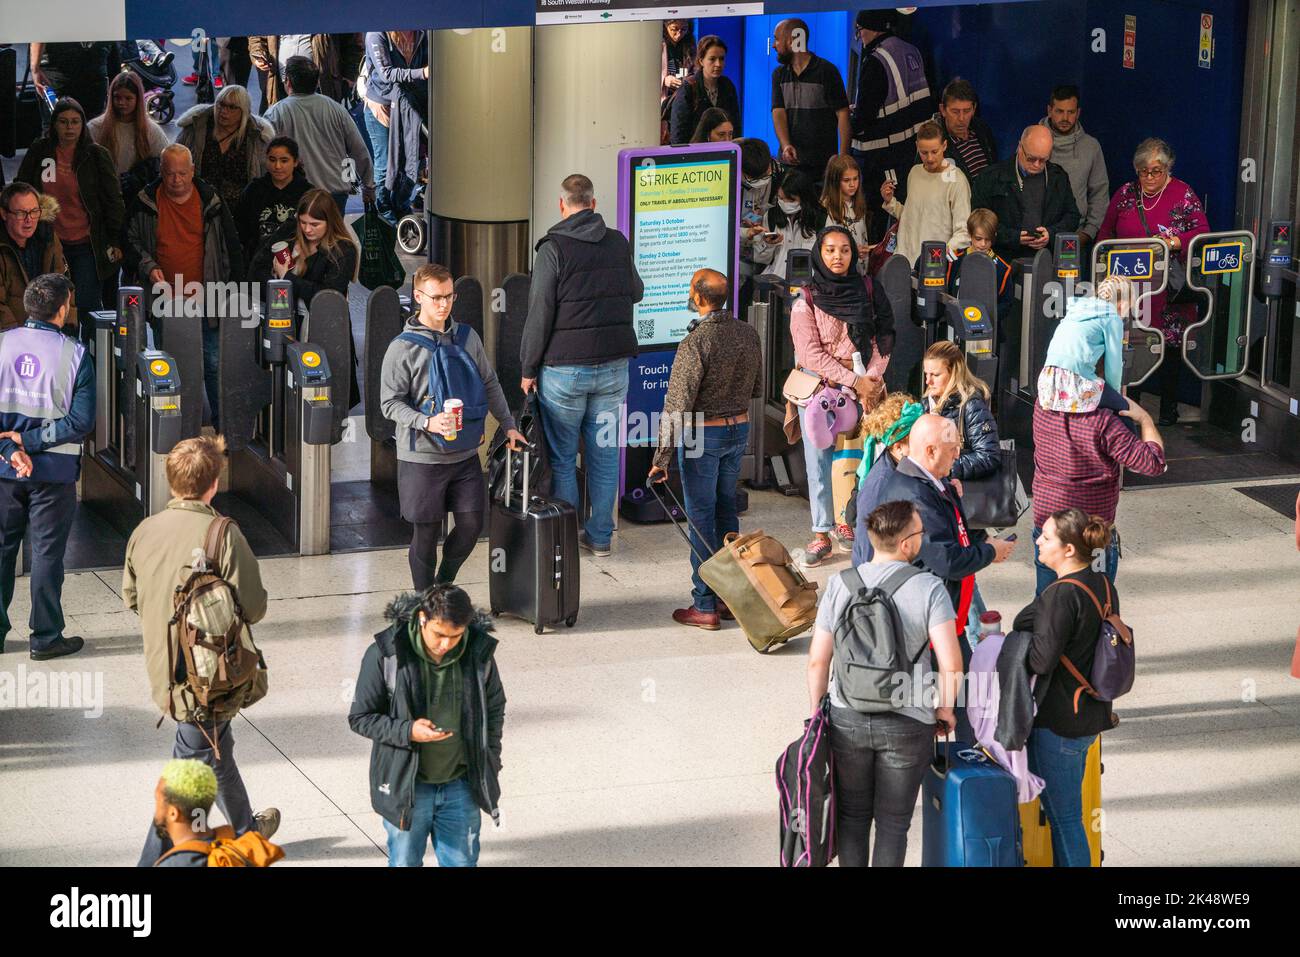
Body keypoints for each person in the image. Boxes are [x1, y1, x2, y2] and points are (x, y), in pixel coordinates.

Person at [124, 435, 280, 863]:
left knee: (216, 747)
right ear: (213, 485)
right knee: (185, 779)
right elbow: (256, 605)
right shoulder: (222, 534)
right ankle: (151, 860)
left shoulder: (143, 531)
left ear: (170, 481)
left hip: (166, 676)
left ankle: (248, 829)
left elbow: (132, 597)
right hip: (207, 680)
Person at [807, 499, 962, 867]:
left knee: (852, 818)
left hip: (848, 717)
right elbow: (951, 663)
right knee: (894, 824)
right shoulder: (930, 588)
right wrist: (944, 709)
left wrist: (817, 714)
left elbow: (817, 659)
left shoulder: (840, 584)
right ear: (907, 543)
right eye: (921, 532)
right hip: (909, 722)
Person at [519, 174, 644, 557]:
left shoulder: (553, 249)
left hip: (564, 370)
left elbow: (540, 311)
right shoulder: (618, 242)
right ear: (593, 203)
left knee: (561, 456)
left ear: (562, 205)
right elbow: (636, 291)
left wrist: (527, 367)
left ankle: (567, 537)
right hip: (613, 367)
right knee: (605, 455)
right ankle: (601, 538)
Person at [383, 264, 524, 588]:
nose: (443, 304)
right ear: (418, 296)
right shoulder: (401, 348)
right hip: (422, 458)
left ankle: (444, 584)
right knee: (426, 532)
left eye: (448, 297)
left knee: (472, 524)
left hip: (463, 455)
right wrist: (427, 421)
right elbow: (389, 404)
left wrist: (509, 424)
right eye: (435, 297)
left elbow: (489, 382)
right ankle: (425, 601)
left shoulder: (467, 337)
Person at [876, 414, 1016, 740]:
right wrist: (989, 553)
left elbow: (954, 533)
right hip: (924, 624)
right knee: (943, 704)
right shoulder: (915, 494)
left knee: (964, 693)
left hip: (943, 613)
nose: (957, 457)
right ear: (929, 450)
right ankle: (959, 757)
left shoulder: (928, 482)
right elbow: (947, 559)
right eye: (952, 450)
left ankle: (966, 751)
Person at [348, 585, 507, 868]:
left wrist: (490, 758)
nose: (446, 644)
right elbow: (361, 718)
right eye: (439, 635)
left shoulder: (478, 654)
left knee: (462, 863)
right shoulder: (386, 654)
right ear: (422, 618)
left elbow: (494, 709)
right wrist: (408, 731)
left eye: (455, 636)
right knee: (405, 862)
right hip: (409, 787)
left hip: (461, 785)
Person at [649, 269, 762, 630]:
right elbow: (757, 388)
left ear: (698, 297)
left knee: (700, 519)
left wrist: (660, 459)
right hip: (738, 430)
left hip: (703, 437)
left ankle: (704, 604)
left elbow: (677, 404)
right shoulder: (748, 333)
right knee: (727, 513)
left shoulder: (695, 342)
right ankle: (730, 597)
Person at [1013, 508, 1119, 866]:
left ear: (1069, 550)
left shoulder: (1060, 596)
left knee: (1066, 820)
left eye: (1046, 537)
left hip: (1060, 723)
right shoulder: (1103, 584)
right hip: (1091, 714)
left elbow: (1041, 660)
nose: (1039, 541)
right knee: (1069, 817)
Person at [0, 274, 91, 660]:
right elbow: (80, 422)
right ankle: (45, 637)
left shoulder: (2, 344)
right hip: (54, 473)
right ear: (62, 308)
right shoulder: (76, 355)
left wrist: (11, 448)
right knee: (47, 554)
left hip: (4, 471)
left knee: (2, 551)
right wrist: (32, 443)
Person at [791, 225, 893, 567]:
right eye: (830, 250)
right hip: (820, 390)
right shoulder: (805, 299)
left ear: (854, 254)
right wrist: (853, 380)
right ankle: (821, 532)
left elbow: (883, 336)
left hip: (865, 388)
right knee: (818, 464)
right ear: (820, 253)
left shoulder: (867, 288)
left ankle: (849, 522)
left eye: (845, 250)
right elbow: (810, 354)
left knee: (862, 460)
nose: (837, 257)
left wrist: (871, 377)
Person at [123, 143, 244, 428]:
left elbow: (231, 246)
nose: (176, 180)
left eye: (182, 173)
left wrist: (235, 292)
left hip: (208, 296)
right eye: (169, 174)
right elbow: (129, 242)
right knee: (173, 364)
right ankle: (176, 429)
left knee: (213, 363)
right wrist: (149, 267)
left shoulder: (210, 201)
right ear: (160, 172)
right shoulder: (144, 202)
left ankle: (223, 429)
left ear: (192, 171)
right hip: (166, 300)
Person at [1095, 137, 1209, 425]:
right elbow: (1106, 232)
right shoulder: (1125, 194)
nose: (1148, 177)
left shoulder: (1182, 193)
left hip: (1167, 292)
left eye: (1155, 171)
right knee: (1131, 346)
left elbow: (1202, 232)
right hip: (1130, 290)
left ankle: (1168, 410)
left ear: (1168, 169)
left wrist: (1174, 241)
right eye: (1143, 171)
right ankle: (1131, 409)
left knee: (1169, 351)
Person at [1031, 386, 1166, 596]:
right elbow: (1152, 463)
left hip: (1048, 524)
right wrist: (1145, 418)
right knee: (1094, 601)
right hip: (1091, 530)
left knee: (1047, 598)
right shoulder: (1103, 422)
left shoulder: (1042, 405)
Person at [15, 97, 124, 332]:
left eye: (75, 122)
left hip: (86, 245)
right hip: (49, 243)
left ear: (82, 125)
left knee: (87, 307)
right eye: (63, 122)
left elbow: (113, 201)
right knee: (54, 310)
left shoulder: (95, 155)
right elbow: (21, 188)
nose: (69, 128)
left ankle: (92, 363)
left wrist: (114, 239)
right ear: (54, 125)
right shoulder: (40, 151)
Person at [921, 341, 1001, 644]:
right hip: (941, 499)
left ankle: (981, 638)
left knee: (960, 572)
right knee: (960, 574)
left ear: (953, 372)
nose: (928, 381)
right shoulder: (929, 401)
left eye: (935, 375)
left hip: (959, 502)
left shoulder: (971, 404)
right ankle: (982, 636)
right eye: (926, 374)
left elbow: (989, 455)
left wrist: (948, 466)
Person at [849, 9, 935, 222]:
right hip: (915, 153)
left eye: (859, 31)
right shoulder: (911, 50)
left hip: (884, 158)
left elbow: (864, 119)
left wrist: (850, 118)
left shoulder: (876, 59)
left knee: (884, 217)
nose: (860, 37)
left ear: (871, 29)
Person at [265, 56, 376, 215]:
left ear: (287, 81)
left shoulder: (275, 114)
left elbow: (265, 156)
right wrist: (369, 186)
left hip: (296, 194)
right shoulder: (336, 109)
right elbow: (359, 151)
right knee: (331, 239)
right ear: (317, 82)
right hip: (335, 194)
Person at [971, 125, 1081, 263]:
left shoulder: (1058, 177)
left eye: (1043, 160)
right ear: (1019, 147)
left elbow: (1073, 216)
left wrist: (1051, 234)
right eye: (1031, 158)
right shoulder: (990, 177)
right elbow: (978, 221)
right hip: (1003, 259)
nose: (1036, 164)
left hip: (1047, 258)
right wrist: (1013, 237)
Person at [1039, 274, 1133, 420]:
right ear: (1123, 304)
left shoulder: (1077, 310)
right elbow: (1114, 366)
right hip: (1076, 380)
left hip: (1048, 379)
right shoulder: (1112, 318)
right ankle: (1134, 444)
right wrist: (1115, 394)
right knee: (1125, 410)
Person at [771, 18, 851, 185]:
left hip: (822, 166)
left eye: (777, 39)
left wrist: (843, 159)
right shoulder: (779, 74)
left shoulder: (827, 71)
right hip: (790, 166)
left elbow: (843, 114)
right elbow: (778, 112)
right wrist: (786, 146)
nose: (774, 45)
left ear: (792, 40)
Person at [881, 119, 971, 266]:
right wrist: (890, 202)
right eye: (924, 152)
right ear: (917, 147)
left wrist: (938, 260)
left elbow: (964, 232)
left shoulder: (957, 180)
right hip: (903, 260)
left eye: (934, 152)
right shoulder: (914, 172)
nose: (929, 158)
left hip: (933, 266)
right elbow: (912, 217)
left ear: (944, 146)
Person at [176, 84, 277, 214]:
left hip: (240, 210)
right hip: (198, 206)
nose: (224, 111)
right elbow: (174, 158)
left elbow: (266, 176)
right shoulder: (196, 127)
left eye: (232, 107)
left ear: (244, 112)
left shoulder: (256, 137)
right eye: (221, 104)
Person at [362, 32, 429, 224]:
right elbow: (387, 73)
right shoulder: (377, 35)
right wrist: (422, 73)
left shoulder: (422, 32)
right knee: (385, 165)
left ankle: (400, 204)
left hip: (410, 105)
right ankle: (385, 212)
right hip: (382, 107)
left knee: (411, 160)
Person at [850, 392, 923, 566]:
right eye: (919, 439)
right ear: (898, 447)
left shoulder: (905, 469)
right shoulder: (880, 485)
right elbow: (867, 546)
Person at [1041, 85, 1109, 247]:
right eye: (1059, 111)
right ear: (1049, 110)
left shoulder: (1091, 147)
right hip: (1038, 235)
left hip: (1075, 236)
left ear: (1078, 113)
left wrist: (1087, 233)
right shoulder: (1033, 140)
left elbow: (1099, 194)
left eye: (1071, 112)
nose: (1065, 117)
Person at [0, 183, 72, 331]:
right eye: (21, 213)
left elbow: (63, 286)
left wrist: (68, 326)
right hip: (9, 339)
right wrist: (18, 338)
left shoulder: (48, 238)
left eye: (34, 211)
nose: (29, 219)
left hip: (48, 333)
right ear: (4, 213)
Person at [235, 136, 314, 262]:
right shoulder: (254, 190)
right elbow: (240, 228)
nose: (277, 166)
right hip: (258, 261)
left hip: (298, 262)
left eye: (284, 161)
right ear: (266, 160)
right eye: (272, 160)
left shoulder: (308, 193)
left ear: (295, 162)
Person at [87, 71, 170, 191]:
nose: (122, 103)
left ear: (138, 99)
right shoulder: (95, 127)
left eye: (128, 98)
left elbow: (166, 161)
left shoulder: (151, 131)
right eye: (117, 97)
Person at [248, 34, 366, 111]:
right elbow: (257, 36)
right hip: (281, 85)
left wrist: (350, 76)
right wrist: (258, 55)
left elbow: (352, 40)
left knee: (319, 135)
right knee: (281, 135)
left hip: (321, 85)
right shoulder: (274, 6)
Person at [750, 168, 825, 280]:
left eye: (791, 200)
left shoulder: (821, 218)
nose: (785, 203)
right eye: (780, 198)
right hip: (775, 280)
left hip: (810, 284)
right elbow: (759, 258)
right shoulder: (771, 216)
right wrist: (768, 244)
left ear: (804, 197)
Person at [669, 35, 741, 147]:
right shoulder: (688, 88)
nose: (718, 64)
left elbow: (735, 124)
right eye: (712, 59)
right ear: (701, 61)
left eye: (721, 59)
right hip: (694, 155)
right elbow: (678, 133)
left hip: (723, 153)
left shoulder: (727, 86)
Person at [736, 138, 782, 317]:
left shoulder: (777, 172)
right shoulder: (728, 177)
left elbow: (768, 206)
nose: (761, 181)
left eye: (765, 175)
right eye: (754, 179)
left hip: (761, 249)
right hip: (737, 251)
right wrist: (745, 232)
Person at [945, 208, 1013, 314]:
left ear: (994, 236)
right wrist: (937, 254)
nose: (983, 244)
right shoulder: (954, 259)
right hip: (955, 324)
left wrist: (984, 315)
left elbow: (1006, 305)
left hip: (988, 326)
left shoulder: (1002, 268)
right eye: (978, 238)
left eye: (988, 239)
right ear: (970, 234)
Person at [932, 78, 997, 183]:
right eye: (955, 111)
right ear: (943, 110)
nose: (962, 118)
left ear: (974, 109)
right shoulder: (933, 143)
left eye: (967, 111)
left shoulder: (982, 129)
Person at [29, 42, 112, 123]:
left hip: (60, 67)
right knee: (92, 124)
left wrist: (35, 68)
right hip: (95, 63)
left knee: (57, 125)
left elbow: (41, 31)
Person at [820, 155, 871, 268]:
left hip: (859, 271)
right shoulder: (825, 209)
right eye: (846, 180)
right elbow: (824, 248)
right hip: (837, 274)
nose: (852, 184)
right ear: (835, 181)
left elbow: (863, 238)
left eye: (855, 178)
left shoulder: (859, 204)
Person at [660, 19, 696, 141]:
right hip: (663, 100)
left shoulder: (690, 44)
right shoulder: (659, 42)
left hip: (681, 97)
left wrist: (688, 81)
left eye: (684, 29)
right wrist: (664, 80)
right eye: (674, 29)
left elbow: (694, 70)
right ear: (665, 26)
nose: (679, 34)